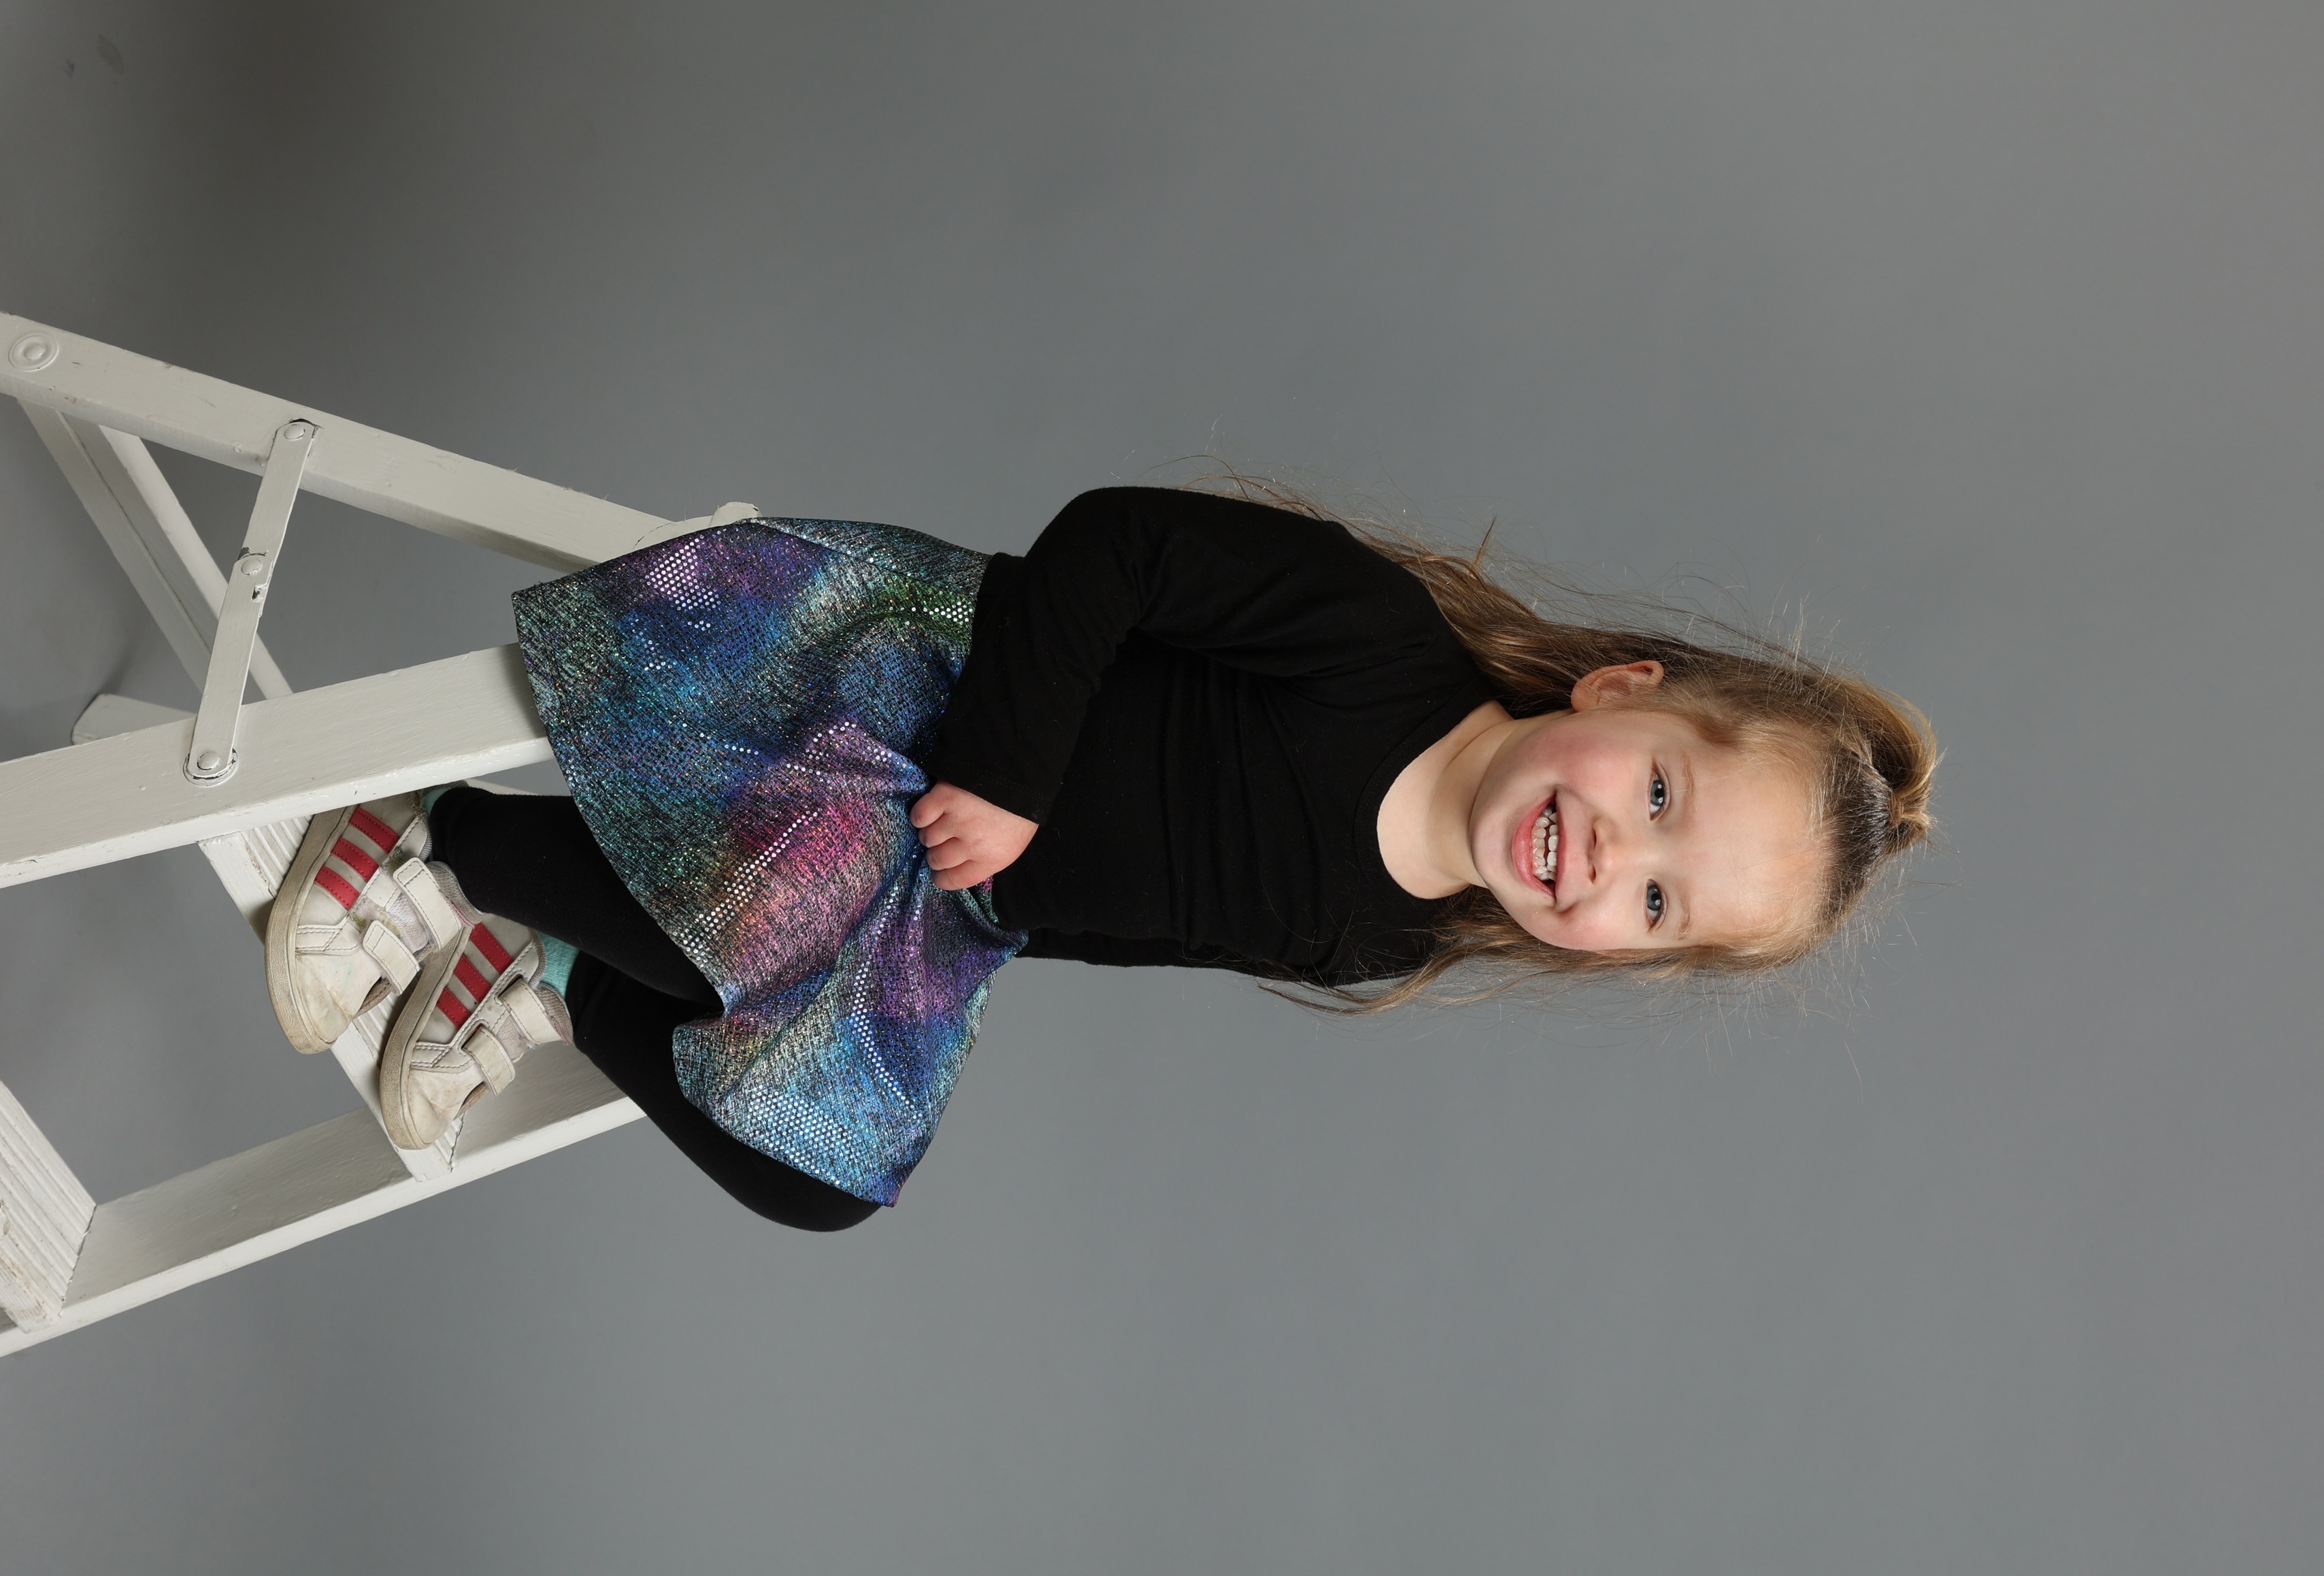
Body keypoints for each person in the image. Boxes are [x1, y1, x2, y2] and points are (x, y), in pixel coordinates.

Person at [261, 486, 1936, 1232]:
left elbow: (1145, 919)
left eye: (1659, 902)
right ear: (1623, 690)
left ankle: (550, 973)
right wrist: (1009, 769)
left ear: (1633, 954)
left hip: (950, 890)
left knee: (824, 1171)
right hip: (919, 701)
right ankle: (434, 839)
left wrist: (970, 943)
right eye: (1660, 793)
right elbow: (1111, 544)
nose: (1612, 859)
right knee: (771, 911)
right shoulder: (1374, 643)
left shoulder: (1393, 933)